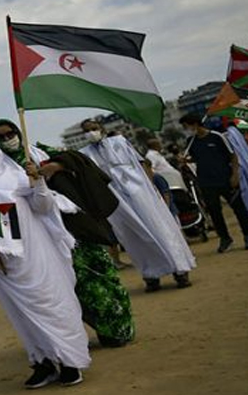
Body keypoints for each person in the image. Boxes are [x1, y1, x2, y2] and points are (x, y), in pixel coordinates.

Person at [0, 138, 88, 389]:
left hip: (34, 257)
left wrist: (38, 182)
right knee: (20, 315)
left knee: (51, 305)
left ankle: (69, 361)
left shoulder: (17, 177)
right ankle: (42, 362)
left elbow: (43, 206)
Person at [0, 120, 134, 348]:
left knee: (103, 275)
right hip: (44, 235)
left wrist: (54, 166)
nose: (8, 139)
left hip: (76, 226)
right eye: (1, 137)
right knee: (74, 286)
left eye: (11, 133)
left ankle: (120, 327)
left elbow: (76, 159)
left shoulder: (39, 152)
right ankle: (105, 330)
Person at [79, 120, 195, 292]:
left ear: (102, 129)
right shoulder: (84, 154)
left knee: (159, 229)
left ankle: (180, 271)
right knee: (133, 237)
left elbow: (142, 163)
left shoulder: (119, 142)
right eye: (87, 131)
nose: (91, 132)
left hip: (140, 193)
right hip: (116, 201)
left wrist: (151, 187)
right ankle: (151, 276)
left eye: (94, 128)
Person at [180, 114, 248, 252]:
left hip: (226, 179)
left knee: (239, 209)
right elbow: (197, 159)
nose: (186, 130)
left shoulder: (217, 137)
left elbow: (232, 156)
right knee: (215, 213)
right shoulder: (190, 141)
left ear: (195, 124)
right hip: (206, 182)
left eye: (186, 126)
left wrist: (235, 175)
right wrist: (186, 160)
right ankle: (225, 239)